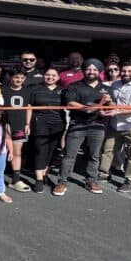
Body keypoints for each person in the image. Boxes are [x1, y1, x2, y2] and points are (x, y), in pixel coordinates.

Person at [53, 58, 113, 196]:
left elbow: (110, 106)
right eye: (88, 69)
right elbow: (71, 104)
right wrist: (94, 106)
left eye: (94, 69)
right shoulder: (74, 86)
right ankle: (62, 182)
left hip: (98, 125)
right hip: (77, 124)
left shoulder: (106, 88)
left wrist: (109, 104)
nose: (91, 71)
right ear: (84, 70)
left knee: (94, 155)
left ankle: (91, 180)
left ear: (99, 71)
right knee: (69, 155)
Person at [98, 61, 131, 192]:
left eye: (130, 71)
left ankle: (130, 180)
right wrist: (108, 103)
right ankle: (104, 173)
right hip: (115, 123)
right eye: (124, 71)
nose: (126, 73)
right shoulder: (115, 84)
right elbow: (113, 102)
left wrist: (118, 110)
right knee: (108, 149)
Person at [26, 69, 66, 193]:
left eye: (53, 75)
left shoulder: (63, 91)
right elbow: (29, 107)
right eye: (47, 75)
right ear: (44, 76)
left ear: (58, 77)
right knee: (40, 151)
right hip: (40, 124)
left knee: (51, 151)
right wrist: (27, 124)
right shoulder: (35, 89)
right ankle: (38, 180)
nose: (50, 77)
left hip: (58, 125)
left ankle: (44, 175)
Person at [3, 70, 31, 192]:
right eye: (16, 77)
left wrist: (27, 124)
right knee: (0, 152)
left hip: (19, 126)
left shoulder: (27, 91)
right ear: (10, 77)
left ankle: (15, 180)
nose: (19, 80)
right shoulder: (3, 90)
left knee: (17, 152)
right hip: (3, 125)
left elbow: (29, 108)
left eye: (22, 78)